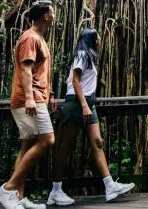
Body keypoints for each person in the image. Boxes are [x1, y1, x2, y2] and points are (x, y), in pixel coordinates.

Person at [47, 28, 135, 205]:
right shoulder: (81, 53)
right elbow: (74, 81)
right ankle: (55, 191)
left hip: (88, 103)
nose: (101, 38)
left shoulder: (88, 57)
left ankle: (110, 186)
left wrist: (88, 104)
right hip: (77, 104)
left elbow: (69, 79)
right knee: (65, 145)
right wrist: (84, 105)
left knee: (98, 142)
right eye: (98, 35)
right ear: (92, 39)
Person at [0, 0, 57, 209]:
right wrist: (31, 97)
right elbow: (25, 70)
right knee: (48, 140)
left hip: (38, 97)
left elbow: (39, 72)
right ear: (46, 16)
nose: (55, 16)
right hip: (29, 99)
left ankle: (18, 198)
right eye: (53, 12)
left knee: (27, 146)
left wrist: (51, 94)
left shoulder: (38, 38)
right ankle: (8, 189)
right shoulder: (30, 38)